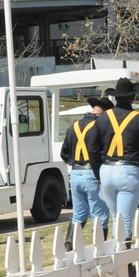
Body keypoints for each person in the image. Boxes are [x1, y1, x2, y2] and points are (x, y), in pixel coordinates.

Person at [94, 78, 139, 277]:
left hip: (106, 170)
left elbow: (93, 148)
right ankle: (126, 269)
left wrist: (99, 174)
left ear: (114, 97)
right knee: (125, 221)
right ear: (132, 97)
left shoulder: (102, 119)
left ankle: (117, 264)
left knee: (116, 218)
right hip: (128, 169)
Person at [60, 96, 110, 251]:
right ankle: (99, 250)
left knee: (78, 214)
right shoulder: (100, 126)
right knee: (100, 215)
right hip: (92, 174)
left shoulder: (74, 126)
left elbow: (64, 153)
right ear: (103, 113)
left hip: (75, 174)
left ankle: (69, 247)